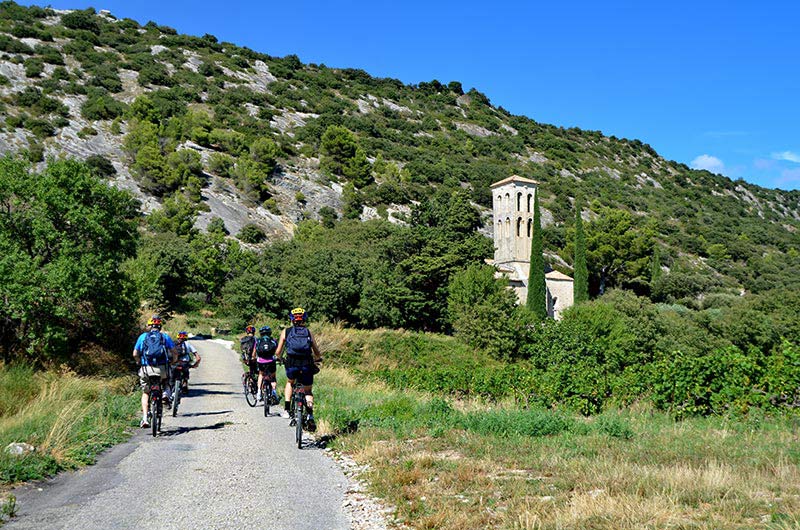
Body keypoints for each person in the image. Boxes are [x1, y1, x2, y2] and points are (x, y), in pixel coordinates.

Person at [276, 307, 322, 431]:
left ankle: (286, 409)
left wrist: (279, 358)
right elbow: (316, 351)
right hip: (307, 364)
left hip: (291, 363)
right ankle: (310, 415)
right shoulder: (308, 332)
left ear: (291, 319)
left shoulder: (286, 331)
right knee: (308, 390)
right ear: (304, 318)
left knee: (290, 382)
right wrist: (318, 358)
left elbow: (278, 351)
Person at [133, 316, 176, 428]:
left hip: (146, 369)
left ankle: (145, 419)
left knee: (146, 392)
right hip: (162, 368)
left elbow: (135, 353)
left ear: (149, 326)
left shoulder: (142, 337)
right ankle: (166, 394)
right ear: (160, 326)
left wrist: (138, 362)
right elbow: (174, 352)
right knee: (166, 381)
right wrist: (173, 361)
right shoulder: (165, 337)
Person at [254, 326, 279, 404]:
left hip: (261, 361)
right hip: (271, 360)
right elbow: (277, 351)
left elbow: (254, 352)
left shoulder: (258, 341)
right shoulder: (273, 340)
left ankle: (258, 393)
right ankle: (274, 392)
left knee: (261, 374)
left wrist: (254, 357)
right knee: (273, 376)